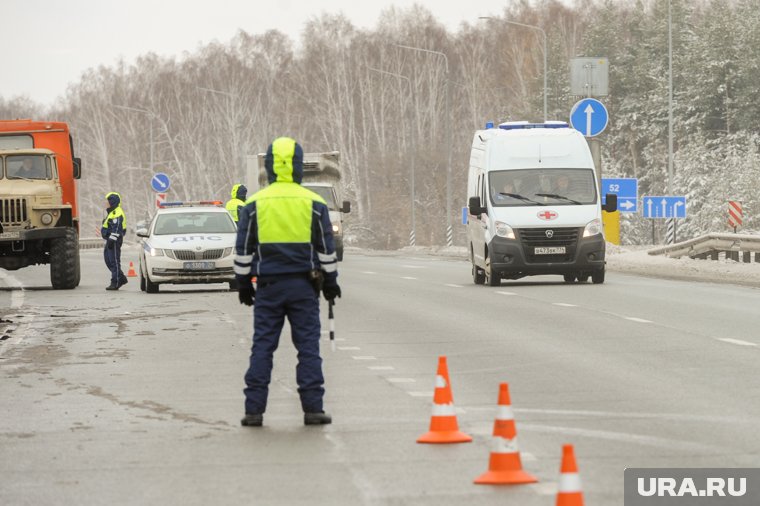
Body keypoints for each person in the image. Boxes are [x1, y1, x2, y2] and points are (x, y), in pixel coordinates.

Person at [234, 137, 340, 428]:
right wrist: (330, 282)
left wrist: (243, 283)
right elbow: (326, 251)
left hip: (267, 287)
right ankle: (313, 409)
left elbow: (243, 249)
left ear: (268, 166)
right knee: (307, 347)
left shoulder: (254, 204)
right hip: (304, 287)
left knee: (263, 347)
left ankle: (253, 411)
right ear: (297, 167)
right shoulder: (315, 204)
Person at [101, 192, 128, 290]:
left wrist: (112, 240)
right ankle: (121, 277)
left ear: (112, 202)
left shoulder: (117, 212)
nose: (106, 203)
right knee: (108, 260)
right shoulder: (112, 212)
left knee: (114, 261)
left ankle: (115, 282)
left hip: (114, 240)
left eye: (107, 201)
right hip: (110, 239)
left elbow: (117, 228)